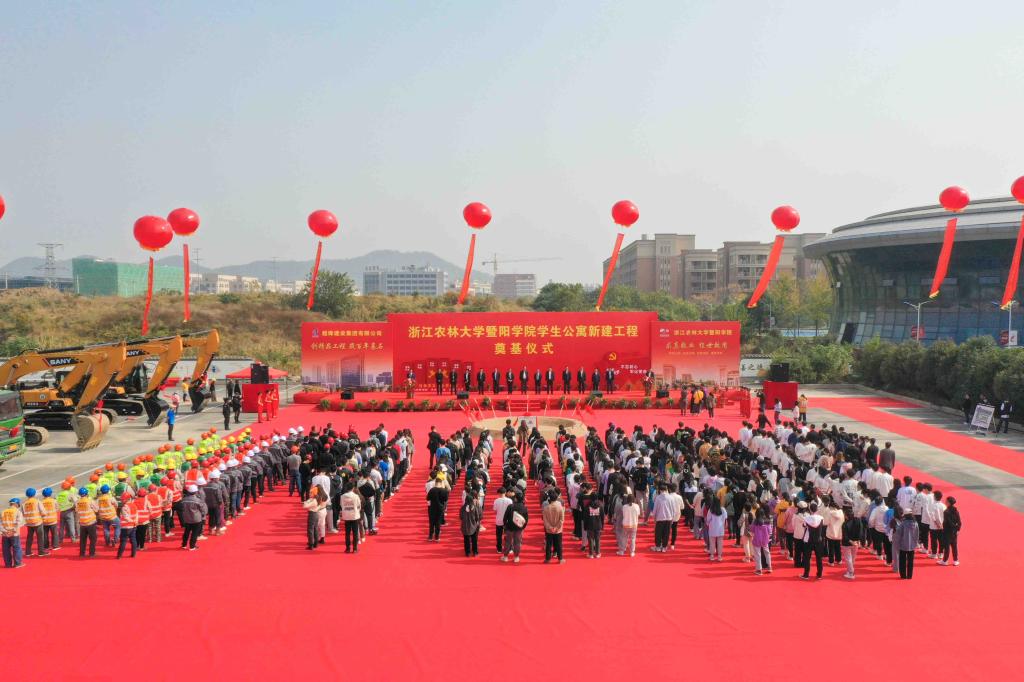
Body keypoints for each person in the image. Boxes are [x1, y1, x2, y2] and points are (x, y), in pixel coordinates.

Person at [502, 491, 528, 563]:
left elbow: (505, 518)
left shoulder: (510, 506)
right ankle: (516, 557)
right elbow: (526, 520)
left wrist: (505, 526)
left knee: (508, 542)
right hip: (519, 528)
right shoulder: (524, 508)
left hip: (509, 527)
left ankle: (505, 556)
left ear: (516, 498)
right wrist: (522, 527)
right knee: (517, 542)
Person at [801, 502, 825, 580]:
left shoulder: (807, 518)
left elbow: (804, 525)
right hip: (818, 540)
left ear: (810, 509)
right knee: (819, 558)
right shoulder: (821, 518)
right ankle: (819, 574)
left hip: (809, 540)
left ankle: (806, 575)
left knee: (807, 558)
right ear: (817, 509)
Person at [179, 484, 207, 551]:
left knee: (186, 532)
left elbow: (181, 508)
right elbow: (203, 510)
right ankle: (192, 546)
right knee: (194, 533)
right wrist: (203, 515)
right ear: (196, 492)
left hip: (187, 519)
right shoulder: (198, 500)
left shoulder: (184, 500)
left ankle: (184, 545)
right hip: (196, 519)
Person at [542, 488, 565, 563]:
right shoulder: (560, 508)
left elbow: (545, 520)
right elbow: (561, 520)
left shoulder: (546, 508)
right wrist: (556, 527)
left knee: (549, 544)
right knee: (559, 544)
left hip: (549, 530)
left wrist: (550, 527)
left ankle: (547, 559)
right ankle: (560, 559)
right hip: (558, 530)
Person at [22, 488, 46, 557]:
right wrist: (42, 517)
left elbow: (23, 513)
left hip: (29, 522)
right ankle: (41, 552)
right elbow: (43, 512)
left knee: (29, 537)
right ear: (34, 494)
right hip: (37, 522)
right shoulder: (37, 501)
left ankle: (28, 552)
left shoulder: (24, 503)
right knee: (40, 538)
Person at [2, 498, 25, 568]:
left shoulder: (3, 511)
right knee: (16, 548)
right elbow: (19, 523)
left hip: (5, 534)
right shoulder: (17, 512)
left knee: (6, 549)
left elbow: (0, 523)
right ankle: (17, 563)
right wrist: (13, 531)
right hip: (14, 534)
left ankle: (8, 564)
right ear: (16, 504)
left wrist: (4, 531)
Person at [76, 487, 99, 558]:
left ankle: (82, 554)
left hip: (82, 523)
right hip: (90, 522)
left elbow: (77, 510)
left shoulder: (77, 502)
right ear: (86, 493)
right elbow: (96, 509)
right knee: (93, 539)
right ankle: (92, 553)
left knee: (83, 540)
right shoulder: (90, 500)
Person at [895, 510, 919, 579]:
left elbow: (899, 534)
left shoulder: (903, 523)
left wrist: (897, 543)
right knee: (910, 561)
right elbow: (917, 534)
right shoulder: (915, 523)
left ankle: (903, 575)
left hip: (903, 544)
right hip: (912, 545)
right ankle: (909, 575)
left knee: (902, 560)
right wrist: (915, 543)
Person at [340, 483, 362, 553]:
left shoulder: (342, 496)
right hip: (354, 515)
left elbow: (341, 505)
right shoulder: (356, 496)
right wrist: (356, 510)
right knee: (355, 533)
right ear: (353, 488)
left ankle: (347, 548)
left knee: (347, 533)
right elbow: (359, 505)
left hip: (346, 516)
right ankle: (355, 548)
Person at [303, 485, 326, 550]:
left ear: (314, 493)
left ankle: (311, 544)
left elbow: (304, 506)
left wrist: (306, 502)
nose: (309, 494)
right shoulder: (316, 499)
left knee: (310, 530)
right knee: (315, 529)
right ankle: (315, 543)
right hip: (315, 514)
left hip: (312, 514)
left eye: (311, 493)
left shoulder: (313, 500)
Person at [940, 496, 961, 566]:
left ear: (949, 503)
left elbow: (948, 522)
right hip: (954, 532)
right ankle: (956, 560)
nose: (945, 502)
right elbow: (959, 522)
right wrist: (957, 529)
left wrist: (953, 528)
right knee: (954, 546)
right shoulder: (956, 511)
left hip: (947, 531)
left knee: (947, 546)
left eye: (946, 501)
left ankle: (945, 560)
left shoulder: (946, 512)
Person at [617, 493, 640, 557]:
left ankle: (622, 550)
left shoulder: (624, 507)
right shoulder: (637, 506)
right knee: (633, 539)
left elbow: (623, 514)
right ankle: (632, 552)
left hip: (626, 524)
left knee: (624, 538)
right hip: (634, 524)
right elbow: (638, 514)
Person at [116, 493, 138, 559]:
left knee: (123, 541)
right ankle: (133, 554)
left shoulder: (124, 507)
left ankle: (119, 555)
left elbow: (126, 517)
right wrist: (135, 522)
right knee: (133, 540)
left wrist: (132, 521)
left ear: (126, 499)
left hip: (126, 527)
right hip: (133, 526)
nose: (121, 500)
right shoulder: (134, 505)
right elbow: (136, 515)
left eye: (123, 499)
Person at [751, 508, 772, 575]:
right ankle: (769, 567)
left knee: (757, 554)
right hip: (765, 540)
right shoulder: (767, 521)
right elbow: (770, 531)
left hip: (757, 539)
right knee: (767, 553)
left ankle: (759, 570)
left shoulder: (755, 522)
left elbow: (752, 530)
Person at [493, 487, 512, 554]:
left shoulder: (496, 501)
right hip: (507, 521)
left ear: (499, 493)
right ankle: (509, 548)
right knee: (508, 535)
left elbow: (495, 510)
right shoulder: (509, 500)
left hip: (499, 520)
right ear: (505, 493)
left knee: (499, 536)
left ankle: (499, 549)